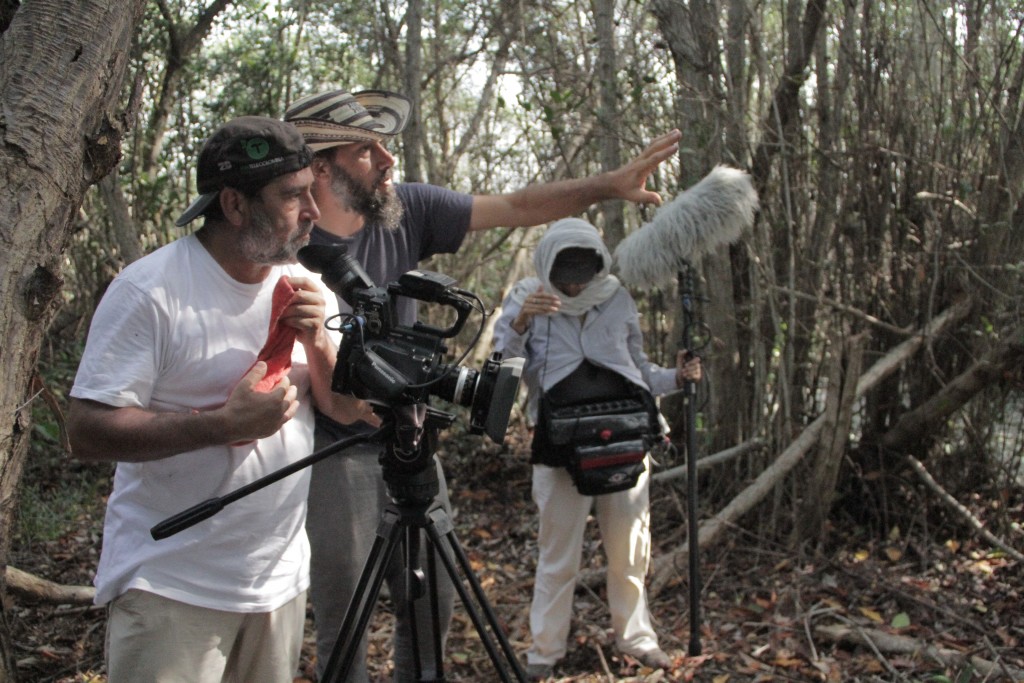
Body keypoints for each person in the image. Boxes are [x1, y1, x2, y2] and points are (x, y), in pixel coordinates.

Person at [283, 87, 682, 682]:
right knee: (346, 613)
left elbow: (519, 205)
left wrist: (606, 185)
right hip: (335, 448)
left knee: (431, 601)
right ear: (321, 168)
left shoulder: (405, 209)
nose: (389, 161)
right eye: (369, 151)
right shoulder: (283, 245)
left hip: (410, 437)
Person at [66, 116, 367, 683]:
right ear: (234, 204)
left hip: (275, 583)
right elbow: (85, 431)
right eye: (293, 196)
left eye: (311, 191)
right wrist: (219, 424)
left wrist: (319, 340)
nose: (313, 211)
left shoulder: (307, 286)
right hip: (171, 585)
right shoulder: (150, 290)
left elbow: (347, 410)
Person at [492, 217, 702, 681]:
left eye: (582, 272)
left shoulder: (615, 297)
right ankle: (545, 652)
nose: (573, 283)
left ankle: (637, 639)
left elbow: (638, 369)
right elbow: (504, 367)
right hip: (561, 444)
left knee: (630, 552)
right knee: (557, 555)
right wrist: (523, 318)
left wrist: (677, 377)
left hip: (625, 440)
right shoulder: (530, 297)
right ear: (548, 264)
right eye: (565, 272)